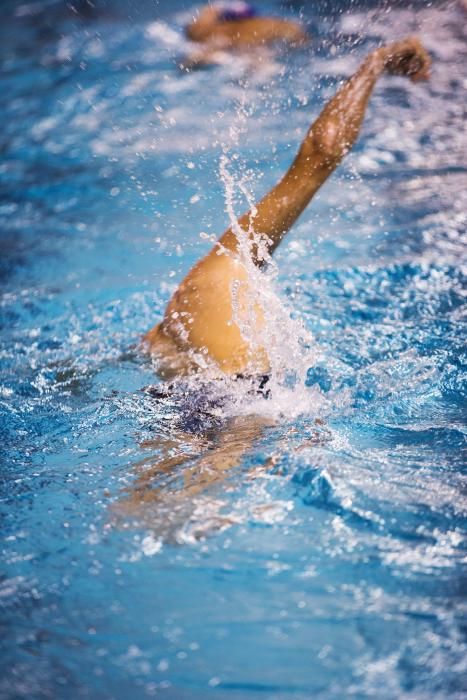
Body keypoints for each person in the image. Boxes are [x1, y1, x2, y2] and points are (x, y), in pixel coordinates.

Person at [144, 37, 431, 381]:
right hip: (245, 390)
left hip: (225, 390)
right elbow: (323, 151)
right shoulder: (222, 273)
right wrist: (375, 63)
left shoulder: (182, 313)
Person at [183, 2, 308, 67]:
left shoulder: (219, 33)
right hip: (259, 54)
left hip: (234, 55)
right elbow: (299, 35)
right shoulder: (270, 25)